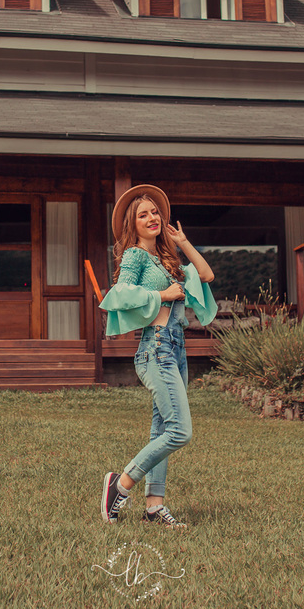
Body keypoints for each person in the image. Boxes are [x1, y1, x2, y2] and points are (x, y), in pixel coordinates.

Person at [98, 185, 217, 527]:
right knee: (180, 431)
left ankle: (153, 506)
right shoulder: (135, 255)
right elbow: (119, 292)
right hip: (157, 347)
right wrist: (163, 294)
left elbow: (206, 275)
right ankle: (119, 485)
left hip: (177, 350)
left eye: (154, 212)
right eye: (142, 215)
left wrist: (182, 242)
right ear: (132, 224)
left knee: (162, 428)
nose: (151, 218)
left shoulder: (166, 259)